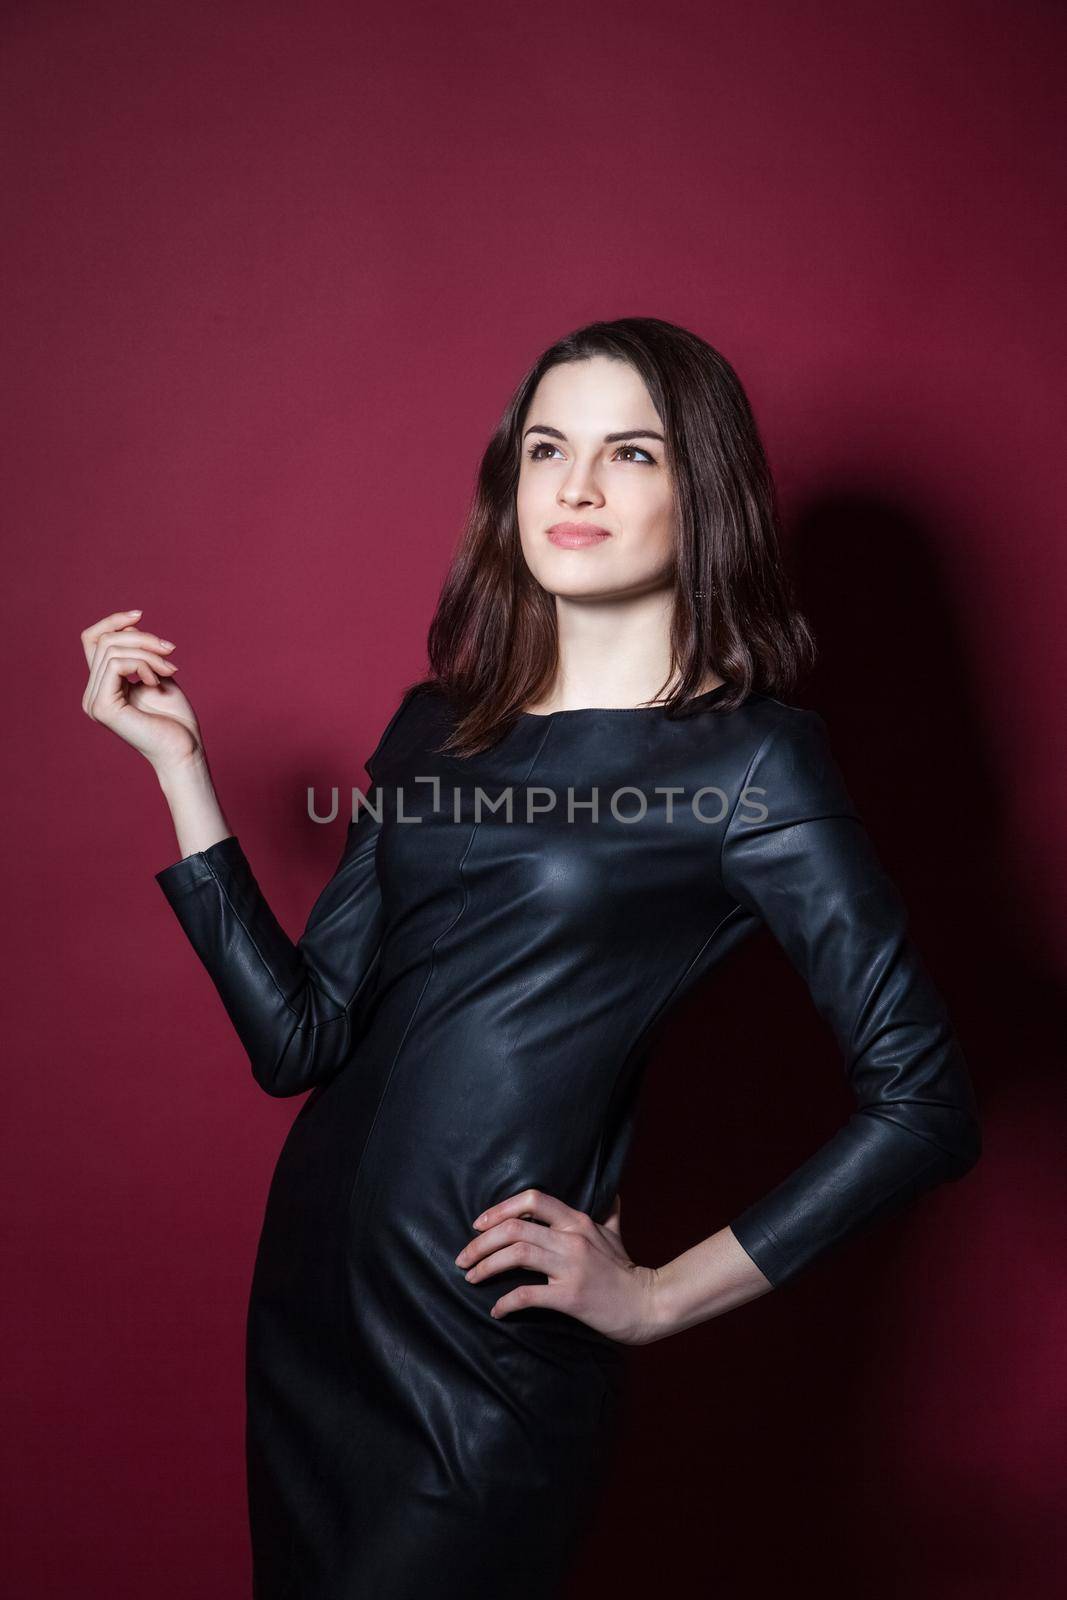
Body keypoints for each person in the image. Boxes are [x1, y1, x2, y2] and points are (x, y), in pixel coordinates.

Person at [80, 317, 982, 1598]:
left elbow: (924, 1102)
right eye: (548, 446)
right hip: (314, 1310)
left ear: (703, 491)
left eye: (629, 453)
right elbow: (302, 1040)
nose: (573, 486)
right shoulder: (436, 725)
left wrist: (659, 1296)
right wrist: (183, 771)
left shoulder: (748, 764)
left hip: (479, 1351)